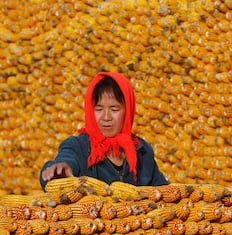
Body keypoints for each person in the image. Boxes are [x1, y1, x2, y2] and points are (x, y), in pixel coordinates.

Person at [40, 71, 168, 190]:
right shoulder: (78, 147)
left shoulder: (142, 151)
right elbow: (66, 159)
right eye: (99, 109)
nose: (106, 117)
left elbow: (163, 190)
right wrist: (57, 171)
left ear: (128, 111)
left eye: (114, 109)